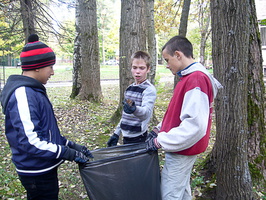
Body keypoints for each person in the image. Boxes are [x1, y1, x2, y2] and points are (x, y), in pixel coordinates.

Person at [0, 34, 93, 200]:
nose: (52, 72)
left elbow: (45, 131)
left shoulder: (34, 90)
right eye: (50, 67)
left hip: (44, 167)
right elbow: (30, 141)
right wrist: (66, 152)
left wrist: (71, 145)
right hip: (36, 170)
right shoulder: (23, 94)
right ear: (37, 67)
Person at [146, 36, 223, 200]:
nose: (167, 65)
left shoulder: (196, 79)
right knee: (182, 192)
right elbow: (178, 113)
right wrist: (158, 129)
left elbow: (195, 126)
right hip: (182, 147)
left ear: (178, 55)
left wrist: (160, 141)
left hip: (182, 150)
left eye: (167, 60)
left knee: (170, 194)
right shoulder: (188, 78)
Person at [107, 51, 157, 146]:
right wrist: (116, 134)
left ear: (148, 69)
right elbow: (125, 115)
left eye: (142, 68)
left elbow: (146, 113)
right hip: (126, 137)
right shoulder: (129, 89)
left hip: (139, 137)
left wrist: (135, 109)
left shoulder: (149, 90)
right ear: (131, 68)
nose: (137, 71)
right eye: (134, 68)